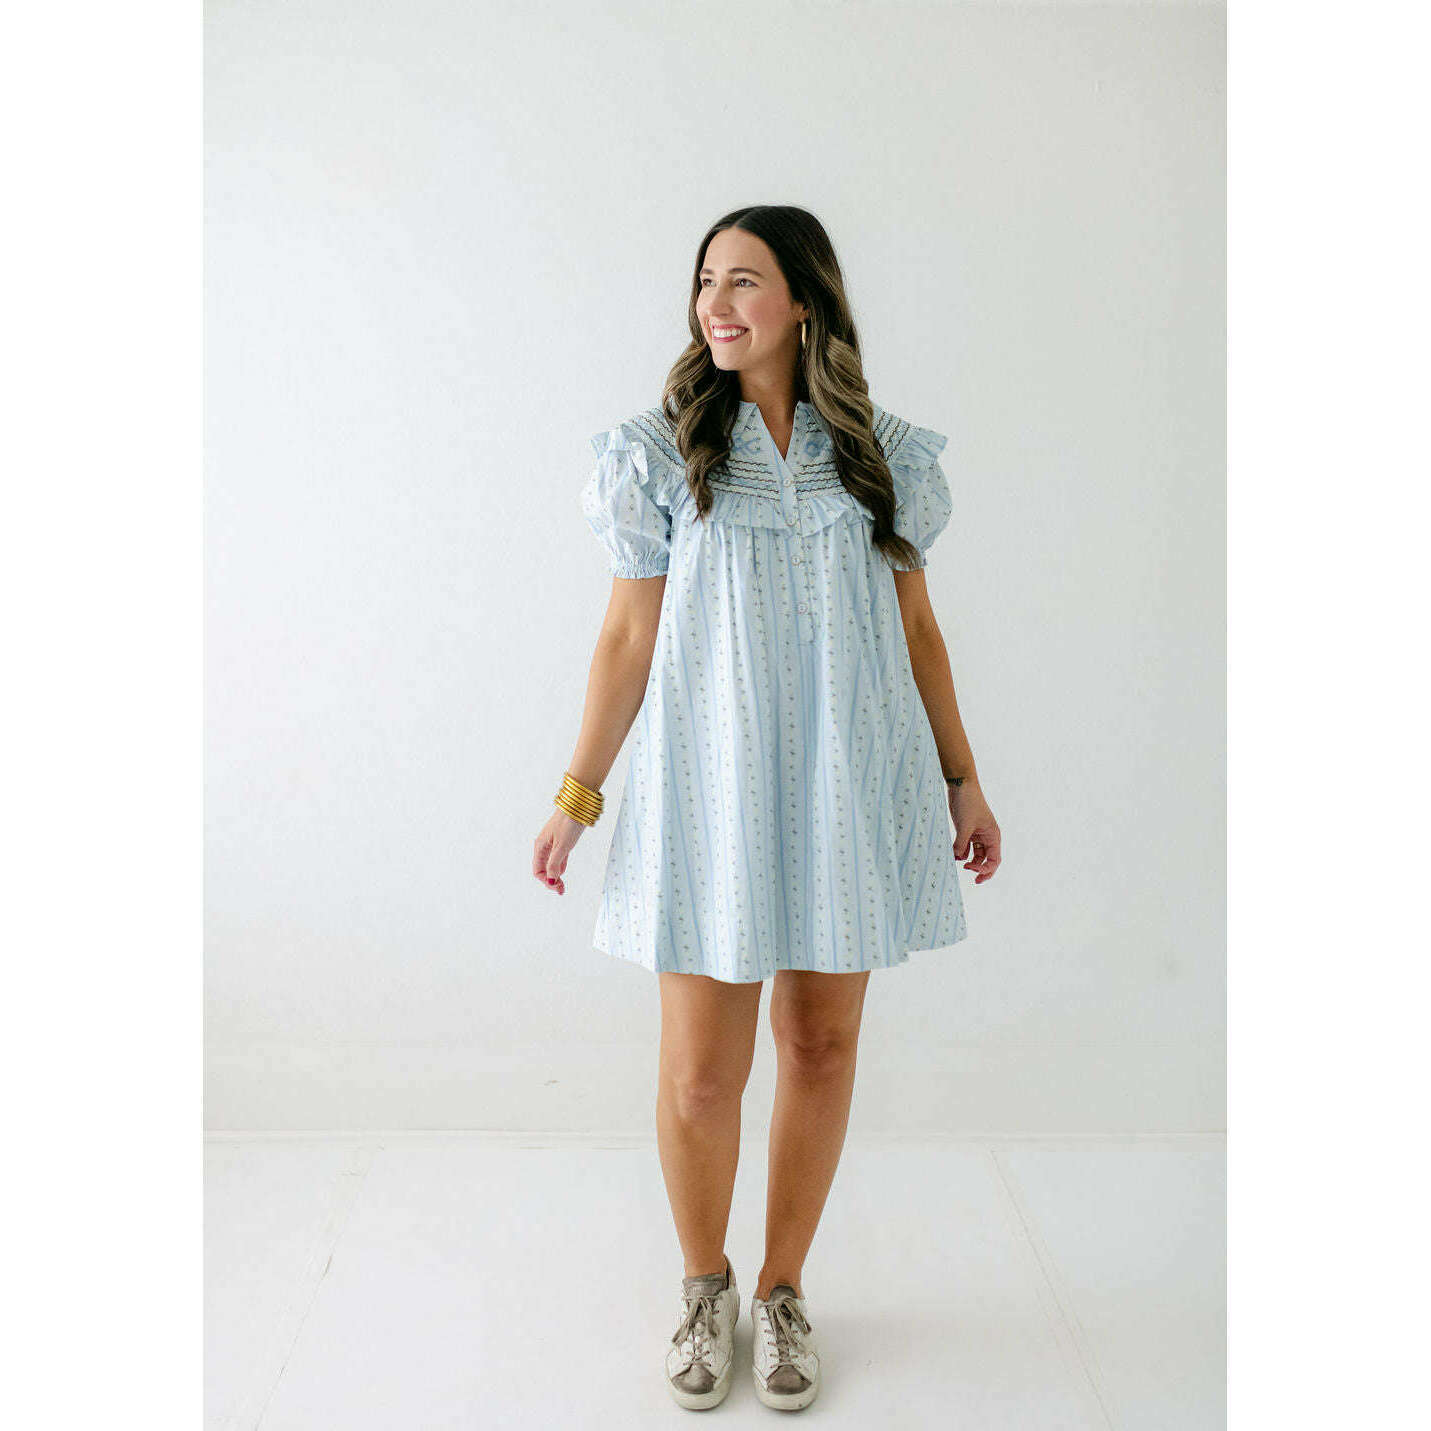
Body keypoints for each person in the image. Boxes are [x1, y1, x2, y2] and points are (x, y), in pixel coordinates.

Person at [532, 205, 1002, 1412]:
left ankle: (784, 1288)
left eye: (743, 281)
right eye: (706, 282)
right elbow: (627, 637)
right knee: (701, 1074)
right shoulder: (659, 452)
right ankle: (706, 1288)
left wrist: (962, 777)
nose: (716, 305)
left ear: (804, 300)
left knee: (821, 1046)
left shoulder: (881, 457)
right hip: (708, 794)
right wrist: (578, 796)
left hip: (848, 784)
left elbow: (918, 629)